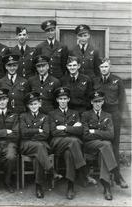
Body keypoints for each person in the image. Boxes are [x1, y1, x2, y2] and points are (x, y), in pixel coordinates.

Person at [92, 58, 128, 188]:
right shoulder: (95, 81)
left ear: (110, 67)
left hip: (113, 115)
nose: (104, 69)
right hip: (100, 115)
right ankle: (105, 176)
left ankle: (117, 176)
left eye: (106, 66)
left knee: (114, 146)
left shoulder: (117, 80)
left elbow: (123, 100)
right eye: (101, 67)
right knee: (103, 144)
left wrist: (120, 116)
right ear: (99, 68)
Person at [81, 91, 123, 200]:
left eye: (99, 101)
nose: (97, 104)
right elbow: (85, 135)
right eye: (95, 102)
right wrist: (101, 134)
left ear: (103, 102)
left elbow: (111, 135)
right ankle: (116, 173)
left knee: (105, 148)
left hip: (103, 147)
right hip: (90, 146)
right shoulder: (85, 115)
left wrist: (94, 132)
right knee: (106, 144)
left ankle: (107, 187)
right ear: (91, 102)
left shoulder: (108, 116)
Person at [49, 87, 86, 200]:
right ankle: (83, 171)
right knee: (73, 140)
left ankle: (70, 186)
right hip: (57, 144)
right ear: (57, 100)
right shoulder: (51, 114)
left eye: (65, 98)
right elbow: (54, 132)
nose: (63, 101)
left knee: (70, 154)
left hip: (71, 146)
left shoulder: (75, 113)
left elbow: (80, 131)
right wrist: (71, 129)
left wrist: (64, 128)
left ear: (69, 99)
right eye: (61, 99)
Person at [20, 91, 52, 198]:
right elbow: (23, 133)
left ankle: (39, 186)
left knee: (39, 154)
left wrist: (31, 133)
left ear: (40, 104)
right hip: (27, 145)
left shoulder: (45, 117)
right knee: (39, 147)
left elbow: (46, 134)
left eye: (35, 104)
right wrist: (39, 130)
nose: (33, 106)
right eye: (31, 104)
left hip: (40, 145)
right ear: (28, 106)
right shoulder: (23, 116)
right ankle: (50, 170)